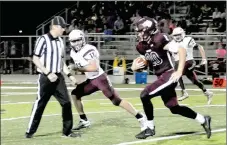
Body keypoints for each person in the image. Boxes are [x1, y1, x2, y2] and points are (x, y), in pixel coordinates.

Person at [131, 17, 211, 139]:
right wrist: (134, 67)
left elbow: (182, 50)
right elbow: (148, 60)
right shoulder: (141, 46)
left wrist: (179, 71)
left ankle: (150, 128)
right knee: (174, 108)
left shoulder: (159, 38)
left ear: (149, 30)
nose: (139, 34)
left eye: (141, 31)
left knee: (144, 95)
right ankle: (203, 119)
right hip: (161, 77)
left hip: (169, 74)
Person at [67, 29, 147, 131]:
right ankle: (84, 120)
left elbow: (94, 67)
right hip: (91, 80)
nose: (76, 43)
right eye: (74, 41)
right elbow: (82, 68)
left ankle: (140, 116)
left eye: (78, 40)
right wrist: (74, 72)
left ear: (83, 39)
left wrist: (76, 68)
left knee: (116, 101)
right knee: (75, 94)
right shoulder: (73, 52)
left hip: (100, 79)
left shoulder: (89, 49)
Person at [25, 16, 80, 138]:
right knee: (40, 104)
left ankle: (67, 131)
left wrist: (70, 75)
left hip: (58, 77)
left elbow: (61, 61)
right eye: (62, 27)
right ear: (54, 26)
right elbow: (35, 58)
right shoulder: (43, 39)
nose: (64, 30)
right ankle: (30, 132)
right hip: (46, 78)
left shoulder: (60, 41)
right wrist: (48, 73)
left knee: (66, 103)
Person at [170, 27, 213, 104]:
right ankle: (208, 93)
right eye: (175, 35)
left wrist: (204, 59)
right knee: (195, 81)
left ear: (182, 34)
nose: (177, 37)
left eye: (179, 34)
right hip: (179, 63)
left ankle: (184, 92)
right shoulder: (173, 43)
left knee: (177, 74)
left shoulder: (188, 40)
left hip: (188, 62)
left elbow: (200, 46)